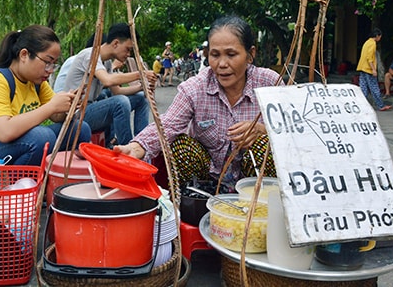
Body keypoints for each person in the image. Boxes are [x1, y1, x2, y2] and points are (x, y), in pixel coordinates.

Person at [115, 15, 285, 186]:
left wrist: (263, 130)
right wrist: (137, 147)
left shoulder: (270, 83)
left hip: (256, 184)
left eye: (231, 54)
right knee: (181, 147)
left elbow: (293, 132)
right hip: (208, 177)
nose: (222, 64)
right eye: (215, 55)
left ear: (250, 54)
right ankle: (195, 203)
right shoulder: (195, 87)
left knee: (265, 145)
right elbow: (168, 124)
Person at [0, 25, 92, 166]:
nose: (50, 70)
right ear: (24, 55)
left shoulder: (37, 82)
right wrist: (51, 106)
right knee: (41, 137)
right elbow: (4, 132)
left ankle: (57, 179)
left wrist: (68, 105)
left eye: (53, 65)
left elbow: (56, 116)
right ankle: (17, 185)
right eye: (47, 62)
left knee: (79, 129)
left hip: (8, 147)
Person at [63, 23, 158, 145]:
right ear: (116, 43)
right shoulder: (90, 54)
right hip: (77, 114)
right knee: (120, 102)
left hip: (91, 109)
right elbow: (108, 80)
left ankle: (141, 143)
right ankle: (128, 150)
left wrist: (142, 87)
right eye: (128, 49)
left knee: (141, 99)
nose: (128, 54)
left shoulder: (106, 63)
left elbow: (117, 91)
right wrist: (141, 74)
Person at [356, 28, 392, 111]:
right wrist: (373, 69)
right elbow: (370, 58)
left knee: (363, 88)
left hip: (362, 67)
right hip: (368, 69)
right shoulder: (372, 43)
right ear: (377, 36)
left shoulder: (367, 42)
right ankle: (380, 105)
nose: (380, 38)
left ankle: (362, 105)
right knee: (374, 87)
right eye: (380, 37)